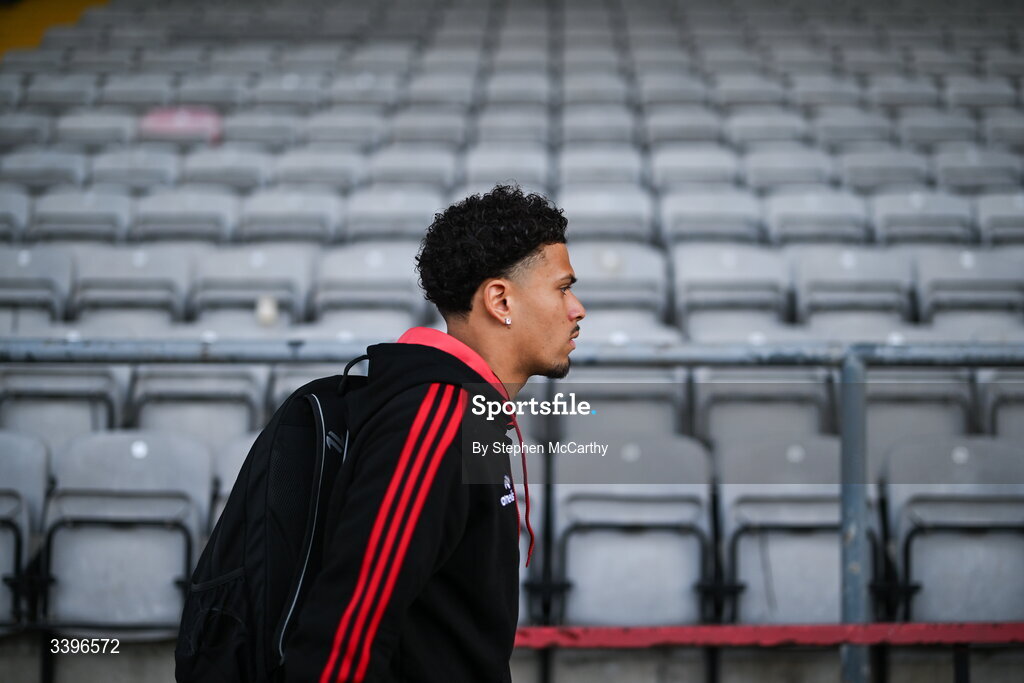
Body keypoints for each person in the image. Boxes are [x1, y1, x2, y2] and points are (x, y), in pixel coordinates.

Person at [283, 184, 586, 683]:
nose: (577, 309)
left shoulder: (469, 411)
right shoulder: (439, 418)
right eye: (562, 288)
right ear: (500, 300)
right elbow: (345, 634)